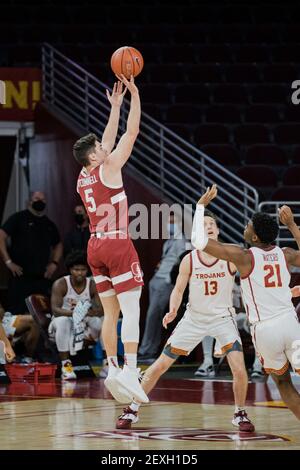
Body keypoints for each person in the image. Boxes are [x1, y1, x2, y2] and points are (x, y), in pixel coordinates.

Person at [117, 200, 255, 432]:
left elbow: (251, 283)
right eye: (204, 224)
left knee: (239, 368)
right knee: (160, 364)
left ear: (218, 230)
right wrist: (172, 310)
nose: (209, 226)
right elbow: (179, 289)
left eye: (212, 224)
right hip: (194, 318)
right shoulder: (189, 258)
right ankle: (132, 408)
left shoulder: (230, 255)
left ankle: (239, 413)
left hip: (223, 319)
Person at [190, 186, 300, 420]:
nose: (245, 226)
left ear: (255, 237)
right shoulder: (286, 253)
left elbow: (199, 242)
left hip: (266, 329)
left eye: (248, 226)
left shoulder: (243, 256)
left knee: (283, 382)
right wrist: (291, 224)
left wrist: (200, 208)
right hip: (291, 325)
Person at [73, 77, 148, 403]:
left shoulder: (84, 175)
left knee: (110, 314)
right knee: (132, 310)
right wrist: (134, 96)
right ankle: (131, 370)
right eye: (102, 149)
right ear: (95, 157)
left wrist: (114, 107)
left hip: (94, 247)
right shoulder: (110, 166)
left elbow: (105, 139)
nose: (107, 147)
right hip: (117, 243)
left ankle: (113, 368)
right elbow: (130, 134)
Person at [0, 191, 63, 314]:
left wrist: (54, 263)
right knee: (16, 315)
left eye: (43, 200)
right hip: (19, 276)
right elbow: (1, 236)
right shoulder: (18, 218)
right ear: (29, 201)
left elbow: (58, 244)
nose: (40, 201)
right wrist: (8, 262)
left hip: (41, 278)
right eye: (37, 198)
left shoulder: (49, 224)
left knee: (41, 315)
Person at [138, 215, 189, 362]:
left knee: (153, 315)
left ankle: (148, 350)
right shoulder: (168, 242)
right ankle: (148, 348)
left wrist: (169, 280)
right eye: (169, 222)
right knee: (152, 315)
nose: (170, 225)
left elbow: (182, 262)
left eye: (173, 222)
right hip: (156, 279)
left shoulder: (182, 242)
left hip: (166, 282)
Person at [49, 250, 103, 380]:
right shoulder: (61, 284)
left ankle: (107, 365)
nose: (79, 273)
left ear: (87, 270)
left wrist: (86, 313)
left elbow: (100, 309)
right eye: (76, 269)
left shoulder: (92, 285)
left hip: (83, 325)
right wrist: (75, 313)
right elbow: (55, 310)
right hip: (61, 324)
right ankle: (66, 367)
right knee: (63, 321)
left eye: (83, 270)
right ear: (70, 269)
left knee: (103, 321)